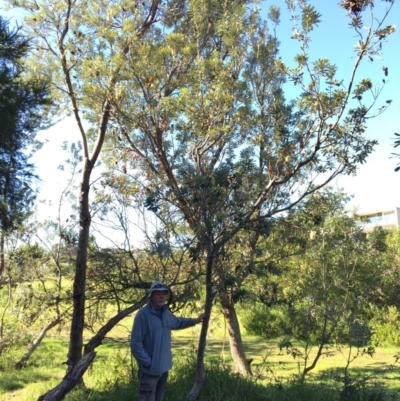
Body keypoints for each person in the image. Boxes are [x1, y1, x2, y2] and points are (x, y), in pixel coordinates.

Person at [131, 280, 205, 401]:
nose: (162, 297)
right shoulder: (142, 315)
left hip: (164, 368)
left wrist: (195, 321)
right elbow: (136, 343)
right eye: (158, 294)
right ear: (151, 296)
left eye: (164, 294)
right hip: (149, 371)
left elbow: (178, 322)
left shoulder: (165, 312)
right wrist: (148, 363)